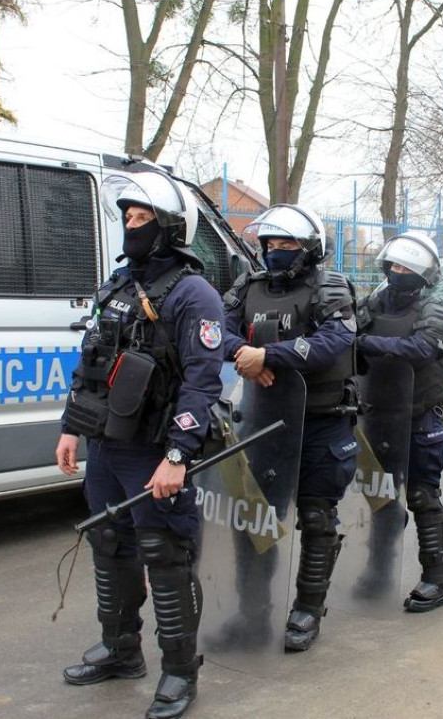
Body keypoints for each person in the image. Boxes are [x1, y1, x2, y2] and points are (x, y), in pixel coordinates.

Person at [56, 167, 224, 719]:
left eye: (142, 217)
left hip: (155, 450)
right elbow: (92, 362)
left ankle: (179, 672)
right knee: (111, 545)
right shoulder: (119, 284)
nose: (131, 225)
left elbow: (202, 381)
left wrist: (178, 456)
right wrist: (70, 427)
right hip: (105, 445)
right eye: (127, 217)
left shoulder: (193, 294)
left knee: (166, 556)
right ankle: (121, 649)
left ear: (171, 226)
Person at [220, 203, 359, 652]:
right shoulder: (249, 284)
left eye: (287, 244)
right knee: (255, 519)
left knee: (317, 518)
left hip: (322, 420)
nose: (276, 251)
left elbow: (335, 340)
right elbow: (214, 329)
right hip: (266, 420)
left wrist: (271, 356)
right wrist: (244, 354)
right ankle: (253, 611)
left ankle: (307, 609)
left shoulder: (331, 286)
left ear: (310, 247)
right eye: (271, 243)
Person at [355, 230, 443, 611]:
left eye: (406, 267)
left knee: (422, 496)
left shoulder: (433, 307)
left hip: (418, 415)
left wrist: (369, 344)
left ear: (422, 273)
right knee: (380, 495)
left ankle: (436, 579)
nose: (398, 272)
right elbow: (350, 331)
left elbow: (424, 347)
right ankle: (380, 570)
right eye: (393, 265)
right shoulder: (375, 301)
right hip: (378, 413)